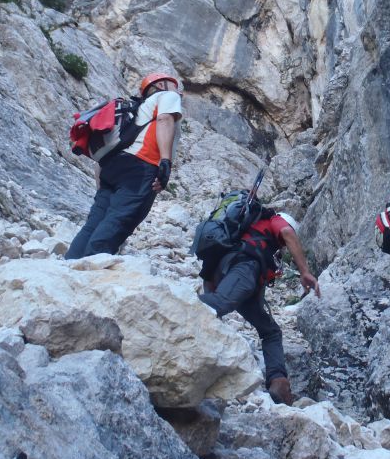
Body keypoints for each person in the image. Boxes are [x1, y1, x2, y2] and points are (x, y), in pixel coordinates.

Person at [199, 210, 320, 405]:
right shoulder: (275, 221)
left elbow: (210, 284)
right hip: (244, 269)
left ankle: (278, 384)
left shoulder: (251, 237)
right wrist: (304, 272)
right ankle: (172, 303)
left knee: (271, 331)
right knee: (221, 303)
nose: (284, 248)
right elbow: (288, 233)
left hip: (235, 275)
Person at [65, 73, 182, 259]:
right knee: (119, 220)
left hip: (111, 168)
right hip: (140, 167)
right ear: (161, 85)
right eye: (175, 86)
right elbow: (164, 120)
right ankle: (89, 270)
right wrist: (165, 162)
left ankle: (69, 264)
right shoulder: (167, 97)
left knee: (94, 223)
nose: (178, 92)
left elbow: (103, 153)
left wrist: (102, 188)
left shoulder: (136, 111)